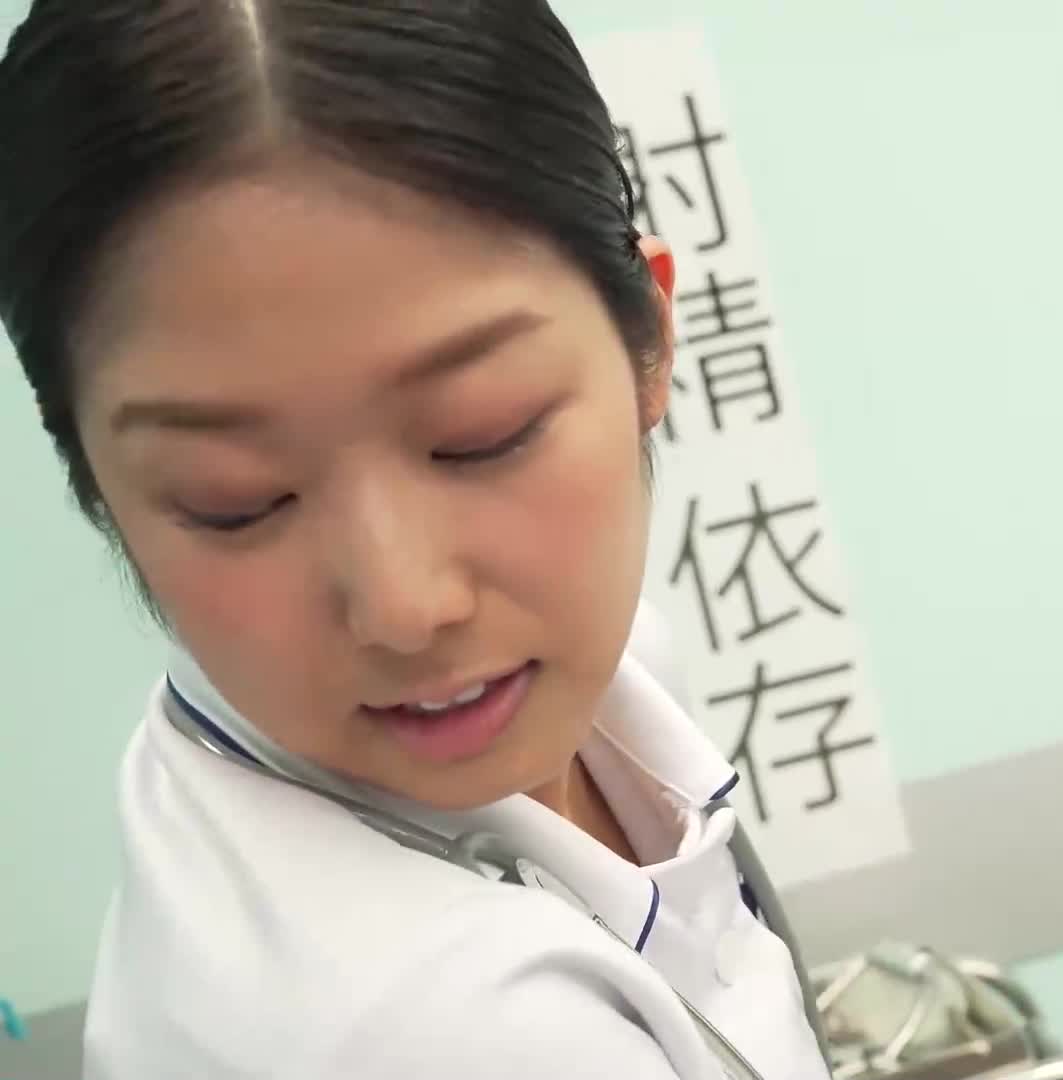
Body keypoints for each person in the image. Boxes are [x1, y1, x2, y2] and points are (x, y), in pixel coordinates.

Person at [0, 2, 829, 1077]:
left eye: (483, 434)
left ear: (650, 338)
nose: (405, 605)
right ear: (99, 489)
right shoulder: (436, 1034)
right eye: (235, 502)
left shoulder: (602, 686)